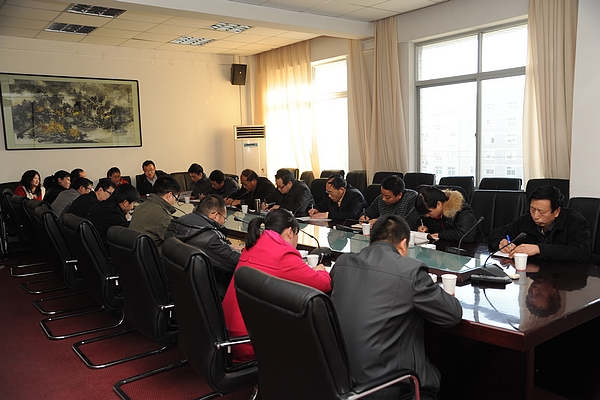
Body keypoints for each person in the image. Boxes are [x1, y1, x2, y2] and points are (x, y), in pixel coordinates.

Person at [331, 215, 462, 399]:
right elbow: (452, 315)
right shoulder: (409, 270)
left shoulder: (342, 264)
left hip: (341, 382)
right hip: (387, 387)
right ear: (403, 244)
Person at [222, 208, 331, 362]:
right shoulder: (282, 253)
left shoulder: (254, 243)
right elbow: (324, 284)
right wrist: (321, 270)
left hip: (230, 335)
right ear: (290, 232)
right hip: (251, 343)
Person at [488, 185, 591, 262]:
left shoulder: (575, 221)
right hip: (533, 274)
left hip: (564, 276)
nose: (536, 216)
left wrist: (539, 249)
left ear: (557, 211)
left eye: (541, 212)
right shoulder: (527, 220)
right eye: (532, 209)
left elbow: (581, 252)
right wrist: (501, 242)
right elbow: (497, 232)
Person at [165, 194, 240, 298]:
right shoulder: (209, 237)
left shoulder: (178, 223)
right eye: (224, 218)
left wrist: (230, 246)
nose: (223, 222)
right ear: (215, 215)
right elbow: (235, 262)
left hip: (178, 287)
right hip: (209, 293)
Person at [129, 175, 181, 253]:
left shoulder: (140, 207)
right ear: (169, 195)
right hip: (152, 256)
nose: (175, 202)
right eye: (176, 198)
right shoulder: (163, 216)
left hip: (135, 253)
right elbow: (177, 242)